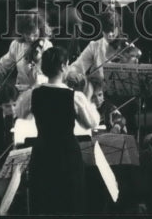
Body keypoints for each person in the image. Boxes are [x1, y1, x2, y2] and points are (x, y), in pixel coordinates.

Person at [27, 46, 100, 215]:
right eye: (67, 64)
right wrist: (87, 96)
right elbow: (92, 123)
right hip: (66, 157)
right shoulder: (75, 96)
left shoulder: (33, 94)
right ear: (62, 67)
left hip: (42, 154)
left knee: (46, 204)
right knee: (69, 205)